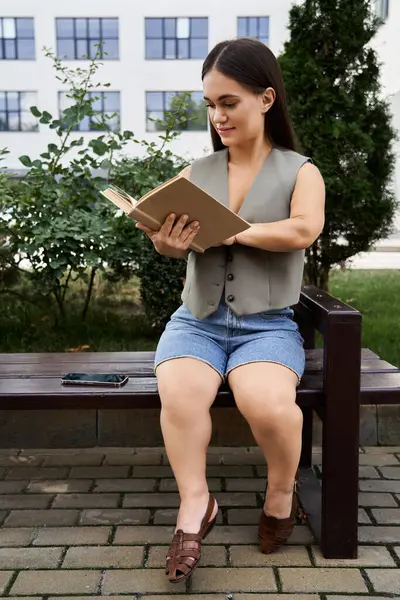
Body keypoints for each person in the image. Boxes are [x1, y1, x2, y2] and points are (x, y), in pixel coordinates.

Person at [136, 37, 325, 583]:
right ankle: (196, 505)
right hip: (196, 321)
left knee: (268, 406)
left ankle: (282, 490)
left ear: (266, 99)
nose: (218, 115)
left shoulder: (299, 170)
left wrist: (236, 231)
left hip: (265, 327)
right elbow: (168, 244)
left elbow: (303, 229)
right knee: (181, 393)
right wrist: (167, 242)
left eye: (229, 102)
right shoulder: (198, 171)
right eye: (211, 105)